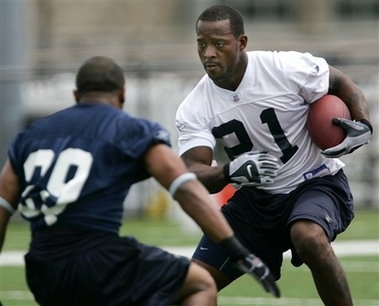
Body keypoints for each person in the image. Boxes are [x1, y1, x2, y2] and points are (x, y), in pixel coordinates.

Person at [0, 56, 280, 306]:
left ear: (76, 95)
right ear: (122, 94)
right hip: (100, 260)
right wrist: (237, 250)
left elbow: (2, 205)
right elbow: (186, 189)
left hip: (42, 268)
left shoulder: (31, 136)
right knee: (201, 283)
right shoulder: (130, 129)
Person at [175, 4, 373, 306]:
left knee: (309, 236)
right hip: (256, 201)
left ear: (241, 43)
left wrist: (363, 124)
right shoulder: (195, 106)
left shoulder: (284, 67)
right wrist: (232, 171)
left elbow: (340, 83)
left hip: (314, 181)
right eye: (201, 44)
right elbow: (194, 173)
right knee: (190, 286)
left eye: (219, 44)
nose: (208, 53)